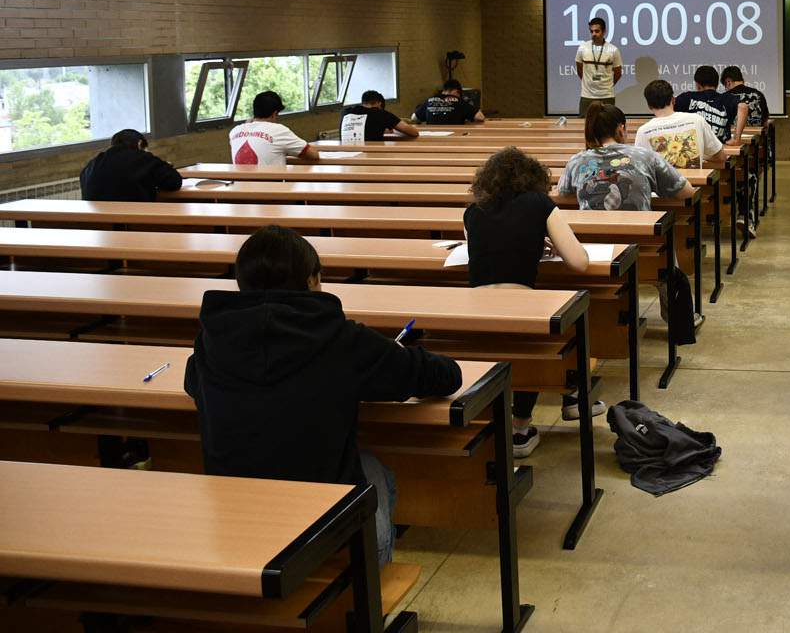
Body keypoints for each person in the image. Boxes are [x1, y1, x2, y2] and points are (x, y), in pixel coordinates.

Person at [184, 226, 461, 565]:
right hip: (323, 527)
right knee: (377, 473)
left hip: (233, 521)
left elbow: (192, 382)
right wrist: (385, 356)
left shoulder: (212, 343)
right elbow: (443, 376)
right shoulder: (339, 339)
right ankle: (368, 584)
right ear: (312, 280)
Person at [465, 147, 594, 457]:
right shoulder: (539, 203)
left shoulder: (472, 211)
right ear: (534, 178)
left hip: (475, 312)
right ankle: (524, 425)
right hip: (520, 311)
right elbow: (580, 262)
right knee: (556, 326)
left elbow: (487, 249)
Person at [558, 103, 697, 211]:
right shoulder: (645, 156)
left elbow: (563, 193)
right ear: (620, 129)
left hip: (589, 238)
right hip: (640, 236)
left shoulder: (576, 161)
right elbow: (687, 192)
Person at [634, 79, 724, 168]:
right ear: (673, 100)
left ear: (649, 106)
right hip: (693, 177)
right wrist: (698, 157)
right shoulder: (697, 120)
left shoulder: (643, 131)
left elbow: (639, 168)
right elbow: (721, 157)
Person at [80, 128, 182, 201]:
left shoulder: (92, 164)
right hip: (134, 219)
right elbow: (174, 182)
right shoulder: (143, 158)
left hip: (96, 221)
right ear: (139, 144)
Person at [229, 91, 322, 166]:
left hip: (240, 183)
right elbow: (313, 155)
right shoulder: (279, 130)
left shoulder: (235, 131)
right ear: (274, 114)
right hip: (271, 183)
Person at [675, 65, 749, 144]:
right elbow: (743, 107)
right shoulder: (726, 98)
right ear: (717, 84)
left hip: (694, 147)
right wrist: (737, 139)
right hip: (720, 147)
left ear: (698, 84)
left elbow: (669, 107)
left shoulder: (687, 97)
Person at [575, 17, 623, 117]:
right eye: (591, 31)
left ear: (604, 31)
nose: (594, 34)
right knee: (585, 124)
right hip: (587, 96)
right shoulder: (582, 48)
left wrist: (607, 85)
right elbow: (579, 68)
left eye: (597, 31)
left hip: (607, 96)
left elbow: (618, 73)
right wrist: (588, 82)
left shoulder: (613, 50)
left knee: (608, 124)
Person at [341, 89, 419, 143]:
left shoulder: (346, 112)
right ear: (379, 103)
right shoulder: (381, 113)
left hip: (345, 152)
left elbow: (366, 128)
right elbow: (413, 132)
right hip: (371, 153)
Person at [413, 79, 484, 125]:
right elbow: (480, 117)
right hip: (454, 137)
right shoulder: (458, 101)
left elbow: (414, 118)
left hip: (431, 138)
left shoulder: (430, 100)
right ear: (456, 91)